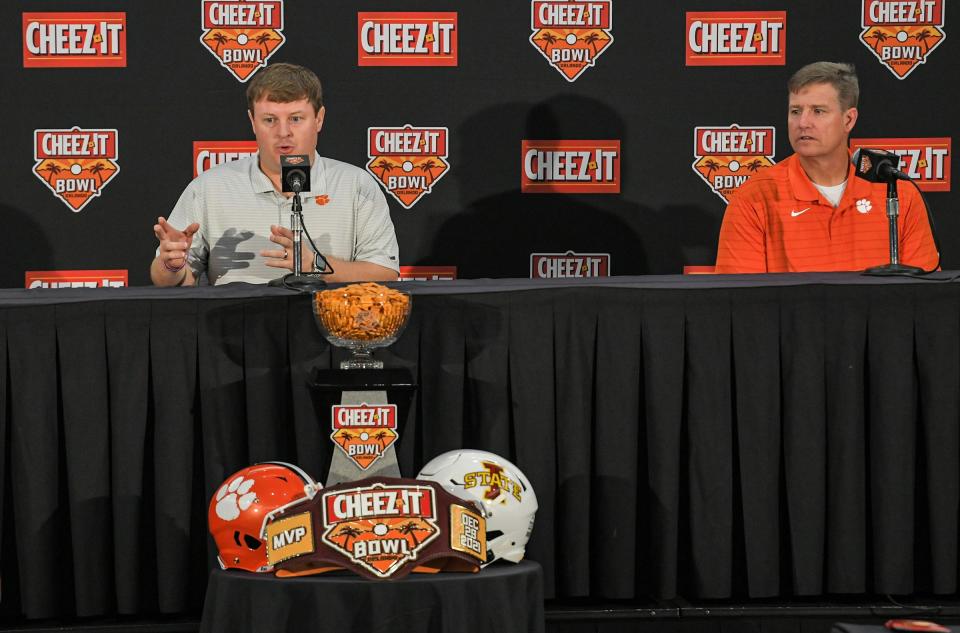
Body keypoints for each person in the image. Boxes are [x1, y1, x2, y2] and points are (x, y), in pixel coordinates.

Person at [151, 63, 399, 286]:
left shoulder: (356, 185)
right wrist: (171, 264)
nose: (283, 132)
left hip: (329, 331)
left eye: (296, 119)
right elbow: (170, 281)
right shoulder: (210, 187)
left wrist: (315, 265)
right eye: (269, 119)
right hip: (236, 332)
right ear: (252, 121)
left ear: (319, 119)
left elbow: (384, 272)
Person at [714, 62, 937, 273]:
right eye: (795, 111)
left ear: (849, 120)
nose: (803, 123)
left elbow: (922, 299)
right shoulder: (753, 198)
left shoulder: (898, 193)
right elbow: (739, 303)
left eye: (818, 111)